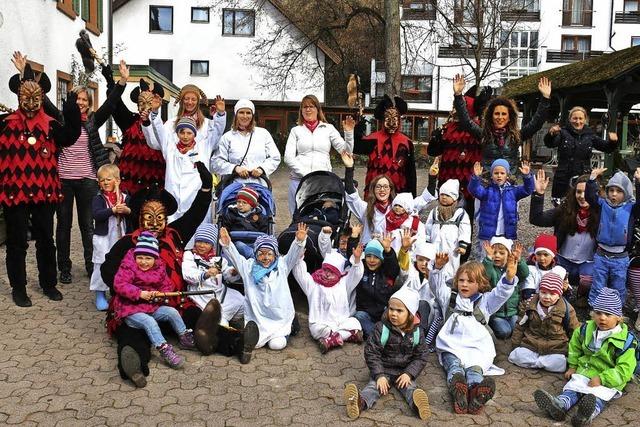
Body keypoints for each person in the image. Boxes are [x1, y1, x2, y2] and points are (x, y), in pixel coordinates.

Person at [101, 162, 256, 387]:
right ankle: (134, 366)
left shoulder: (175, 234)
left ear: (166, 218)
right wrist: (135, 292)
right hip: (136, 306)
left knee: (199, 320)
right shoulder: (129, 242)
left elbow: (195, 214)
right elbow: (108, 271)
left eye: (159, 218)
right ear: (140, 217)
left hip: (173, 304)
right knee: (132, 335)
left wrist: (205, 186)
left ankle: (236, 343)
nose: (154, 224)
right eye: (148, 218)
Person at [1, 58, 80, 306]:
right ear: (18, 97)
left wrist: (72, 110)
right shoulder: (5, 125)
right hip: (15, 191)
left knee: (46, 239)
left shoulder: (51, 125)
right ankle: (18, 288)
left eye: (36, 99)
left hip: (44, 191)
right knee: (17, 242)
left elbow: (70, 137)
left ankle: (48, 283)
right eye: (26, 98)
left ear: (43, 97)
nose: (32, 104)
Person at [56, 60, 130, 284]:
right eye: (77, 98)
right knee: (63, 225)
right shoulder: (60, 121)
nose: (80, 102)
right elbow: (44, 105)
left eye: (84, 99)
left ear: (88, 104)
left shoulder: (92, 121)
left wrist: (122, 81)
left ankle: (91, 265)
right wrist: (24, 75)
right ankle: (65, 268)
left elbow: (110, 104)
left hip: (88, 179)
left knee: (88, 225)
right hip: (64, 180)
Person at [533, 288, 637, 426]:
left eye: (608, 314)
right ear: (593, 314)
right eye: (598, 313)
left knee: (598, 397)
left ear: (619, 317)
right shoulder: (585, 329)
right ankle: (559, 405)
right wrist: (573, 366)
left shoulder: (626, 341)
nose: (602, 318)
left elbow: (625, 369)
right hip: (584, 371)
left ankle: (586, 416)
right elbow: (575, 347)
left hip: (607, 378)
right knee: (573, 388)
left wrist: (602, 379)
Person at [430, 255, 519, 415]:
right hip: (451, 345)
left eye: (470, 281)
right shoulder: (449, 298)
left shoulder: (485, 302)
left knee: (475, 369)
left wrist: (509, 277)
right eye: (462, 280)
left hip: (477, 347)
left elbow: (500, 294)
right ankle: (458, 389)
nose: (464, 284)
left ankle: (477, 391)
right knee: (454, 365)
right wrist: (437, 269)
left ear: (480, 284)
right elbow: (435, 286)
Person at [343, 286, 432, 421]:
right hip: (383, 369)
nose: (393, 314)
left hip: (404, 372)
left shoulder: (417, 332)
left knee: (410, 388)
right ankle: (359, 403)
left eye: (399, 310)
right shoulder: (381, 328)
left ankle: (418, 405)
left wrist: (409, 373)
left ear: (411, 313)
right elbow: (371, 352)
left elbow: (421, 355)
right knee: (373, 387)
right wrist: (379, 375)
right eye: (391, 309)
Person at [112, 232, 196, 370]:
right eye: (140, 257)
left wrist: (161, 294)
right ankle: (164, 349)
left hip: (151, 306)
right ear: (135, 256)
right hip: (130, 309)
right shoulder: (128, 266)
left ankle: (185, 337)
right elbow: (119, 284)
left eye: (148, 258)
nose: (144, 261)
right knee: (149, 322)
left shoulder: (159, 267)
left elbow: (167, 285)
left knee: (171, 312)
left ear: (155, 258)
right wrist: (139, 293)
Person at [141, 85, 226, 222]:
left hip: (196, 189)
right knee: (173, 225)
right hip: (174, 187)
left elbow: (216, 134)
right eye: (186, 98)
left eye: (193, 99)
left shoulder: (206, 132)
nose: (185, 136)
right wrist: (154, 114)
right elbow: (160, 138)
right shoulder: (171, 131)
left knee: (197, 225)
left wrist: (220, 115)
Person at [219, 224, 307, 351]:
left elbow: (293, 255)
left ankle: (289, 327)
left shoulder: (282, 266)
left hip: (279, 317)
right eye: (261, 254)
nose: (266, 258)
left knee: (276, 345)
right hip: (258, 318)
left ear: (275, 255)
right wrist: (228, 245)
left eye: (269, 254)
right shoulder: (248, 268)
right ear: (255, 254)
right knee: (255, 344)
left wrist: (299, 241)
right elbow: (236, 258)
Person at [452, 74, 551, 172]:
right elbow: (466, 122)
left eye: (504, 114)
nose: (500, 117)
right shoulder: (484, 135)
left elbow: (536, 123)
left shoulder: (516, 136)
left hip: (510, 183)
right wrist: (458, 96)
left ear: (509, 117)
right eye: (497, 114)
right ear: (491, 116)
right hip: (488, 183)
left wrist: (545, 99)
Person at [530, 171, 598, 306]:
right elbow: (537, 218)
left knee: (589, 279)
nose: (582, 196)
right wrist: (539, 194)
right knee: (533, 255)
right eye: (578, 192)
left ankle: (583, 294)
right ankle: (556, 292)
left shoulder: (602, 213)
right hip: (562, 260)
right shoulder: (565, 210)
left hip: (587, 262)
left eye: (586, 192)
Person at [427, 86, 491, 223]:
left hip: (469, 182)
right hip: (447, 180)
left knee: (465, 221)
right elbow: (433, 151)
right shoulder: (447, 128)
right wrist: (435, 139)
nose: (455, 110)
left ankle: (464, 244)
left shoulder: (479, 129)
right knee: (444, 220)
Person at [342, 152, 434, 244]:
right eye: (378, 187)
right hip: (371, 253)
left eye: (386, 187)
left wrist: (432, 177)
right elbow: (352, 196)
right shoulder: (366, 209)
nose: (382, 190)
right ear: (373, 190)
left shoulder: (400, 206)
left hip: (392, 253)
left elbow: (424, 199)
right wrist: (349, 168)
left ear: (391, 189)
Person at [284, 94, 355, 214]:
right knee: (298, 218)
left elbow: (346, 152)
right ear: (301, 110)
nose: (308, 109)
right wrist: (307, 174)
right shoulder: (296, 130)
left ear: (318, 109)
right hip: (299, 181)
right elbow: (288, 157)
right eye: (305, 107)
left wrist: (348, 134)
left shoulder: (328, 128)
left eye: (311, 106)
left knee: (322, 216)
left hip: (323, 181)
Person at [292, 249, 365, 353]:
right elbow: (300, 275)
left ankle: (333, 339)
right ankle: (346, 336)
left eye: (331, 272)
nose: (327, 274)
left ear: (338, 273)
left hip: (341, 321)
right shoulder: (313, 283)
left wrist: (357, 259)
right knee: (316, 330)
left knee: (354, 323)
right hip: (321, 323)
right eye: (325, 270)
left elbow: (356, 274)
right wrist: (299, 259)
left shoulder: (344, 283)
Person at [586, 168, 640, 306]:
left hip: (620, 257)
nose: (614, 194)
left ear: (626, 192)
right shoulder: (603, 204)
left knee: (619, 286)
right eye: (611, 190)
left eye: (619, 191)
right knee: (598, 283)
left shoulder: (631, 207)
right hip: (601, 254)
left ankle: (616, 312)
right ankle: (594, 308)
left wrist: (638, 183)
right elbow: (590, 197)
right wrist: (592, 178)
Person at [106, 77, 166, 195]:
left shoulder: (163, 126)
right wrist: (110, 81)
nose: (145, 107)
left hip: (155, 181)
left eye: (149, 103)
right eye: (142, 103)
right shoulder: (130, 120)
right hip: (130, 182)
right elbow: (115, 102)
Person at [544, 106, 618, 203]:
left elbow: (607, 148)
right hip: (563, 178)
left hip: (583, 177)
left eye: (580, 118)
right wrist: (551, 134)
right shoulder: (562, 133)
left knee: (583, 204)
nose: (578, 121)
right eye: (575, 118)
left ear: (585, 120)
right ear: (570, 119)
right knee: (561, 208)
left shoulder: (590, 135)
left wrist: (613, 142)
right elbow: (550, 144)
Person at [510, 272, 580, 373]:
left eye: (552, 294)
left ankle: (535, 363)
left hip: (555, 347)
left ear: (559, 294)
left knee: (559, 363)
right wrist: (515, 346)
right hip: (531, 344)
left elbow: (575, 332)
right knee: (516, 356)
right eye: (543, 292)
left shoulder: (567, 309)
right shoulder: (529, 305)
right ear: (539, 291)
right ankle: (541, 363)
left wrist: (573, 355)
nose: (547, 297)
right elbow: (520, 326)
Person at [181, 224, 245, 328]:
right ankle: (223, 326)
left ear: (212, 244)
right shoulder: (190, 255)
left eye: (206, 243)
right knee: (219, 320)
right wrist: (206, 274)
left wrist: (233, 272)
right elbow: (188, 274)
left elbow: (227, 276)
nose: (202, 245)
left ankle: (228, 321)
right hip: (201, 294)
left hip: (219, 292)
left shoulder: (217, 259)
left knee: (243, 302)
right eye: (199, 241)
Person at [353, 95, 417, 196]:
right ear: (383, 120)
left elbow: (411, 173)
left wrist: (411, 197)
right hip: (374, 193)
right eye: (388, 120)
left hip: (398, 194)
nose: (391, 124)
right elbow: (355, 147)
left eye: (394, 120)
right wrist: (358, 128)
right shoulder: (372, 140)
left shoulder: (406, 143)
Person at [211, 99, 281, 185]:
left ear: (252, 115)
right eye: (241, 112)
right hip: (234, 186)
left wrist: (262, 169)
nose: (245, 116)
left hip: (260, 186)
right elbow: (216, 162)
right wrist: (235, 168)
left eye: (248, 113)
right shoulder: (227, 137)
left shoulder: (263, 134)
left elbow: (275, 157)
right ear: (236, 115)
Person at [90, 164, 131, 311]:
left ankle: (118, 292)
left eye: (109, 179)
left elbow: (133, 213)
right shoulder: (99, 198)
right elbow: (97, 214)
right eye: (102, 180)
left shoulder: (124, 197)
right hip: (104, 237)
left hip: (120, 236)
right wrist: (112, 210)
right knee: (101, 263)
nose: (105, 183)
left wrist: (127, 210)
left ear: (118, 181)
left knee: (121, 264)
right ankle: (100, 293)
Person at [468, 158, 534, 245]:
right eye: (496, 173)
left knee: (504, 256)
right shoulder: (486, 191)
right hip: (488, 233)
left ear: (507, 175)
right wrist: (476, 178)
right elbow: (474, 190)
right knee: (487, 256)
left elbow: (528, 189)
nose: (499, 175)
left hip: (506, 233)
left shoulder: (513, 191)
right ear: (491, 175)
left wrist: (527, 177)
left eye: (502, 173)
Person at [353, 235, 401, 338]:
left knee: (392, 317)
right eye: (368, 256)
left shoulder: (387, 271)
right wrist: (353, 238)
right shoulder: (361, 269)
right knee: (359, 316)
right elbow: (353, 259)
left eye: (376, 257)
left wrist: (388, 251)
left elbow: (394, 266)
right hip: (366, 313)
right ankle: (378, 337)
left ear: (382, 258)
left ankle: (376, 335)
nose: (371, 260)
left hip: (383, 312)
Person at [482, 237, 529, 339]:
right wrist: (488, 259)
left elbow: (524, 274)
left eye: (502, 253)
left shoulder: (512, 267)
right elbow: (485, 276)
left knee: (516, 328)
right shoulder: (490, 268)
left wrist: (519, 260)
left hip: (512, 312)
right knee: (505, 332)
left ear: (508, 254)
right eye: (494, 253)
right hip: (496, 314)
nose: (497, 256)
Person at [425, 179, 471, 274]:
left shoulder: (460, 213)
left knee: (451, 265)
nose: (444, 197)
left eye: (447, 195)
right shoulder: (434, 212)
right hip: (434, 244)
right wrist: (427, 241)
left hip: (452, 246)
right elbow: (428, 226)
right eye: (442, 195)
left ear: (454, 198)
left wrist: (463, 245)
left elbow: (465, 229)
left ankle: (450, 283)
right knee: (433, 263)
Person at [521, 234, 560, 301]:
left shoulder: (559, 270)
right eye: (538, 254)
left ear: (553, 255)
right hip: (534, 301)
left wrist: (565, 288)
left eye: (546, 255)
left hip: (553, 302)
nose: (542, 258)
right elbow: (528, 292)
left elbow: (564, 294)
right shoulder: (530, 269)